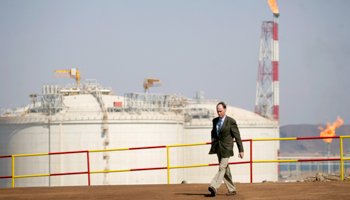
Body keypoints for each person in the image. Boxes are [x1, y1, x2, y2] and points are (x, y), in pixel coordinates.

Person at [208, 102, 244, 197]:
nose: (219, 113)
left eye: (220, 111)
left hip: (227, 148)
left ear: (225, 110)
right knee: (225, 170)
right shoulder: (215, 121)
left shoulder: (231, 121)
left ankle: (214, 186)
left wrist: (241, 150)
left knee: (222, 167)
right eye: (217, 111)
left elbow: (237, 136)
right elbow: (213, 131)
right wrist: (212, 139)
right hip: (218, 148)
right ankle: (232, 189)